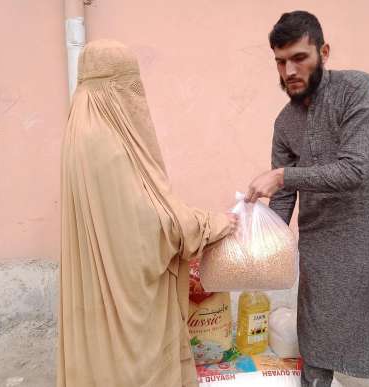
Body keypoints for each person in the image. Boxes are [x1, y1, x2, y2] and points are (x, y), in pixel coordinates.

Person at [245, 11, 369, 387]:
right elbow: (284, 196)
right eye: (280, 61)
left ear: (323, 51)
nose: (288, 70)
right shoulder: (284, 122)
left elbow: (353, 170)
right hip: (321, 244)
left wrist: (281, 175)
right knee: (316, 333)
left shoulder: (358, 89)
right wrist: (263, 240)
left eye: (299, 58)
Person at [57, 39, 237, 387]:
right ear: (113, 87)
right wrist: (213, 224)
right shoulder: (105, 144)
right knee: (131, 364)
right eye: (130, 87)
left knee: (101, 356)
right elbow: (150, 229)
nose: (136, 98)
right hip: (129, 298)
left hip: (98, 288)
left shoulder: (79, 128)